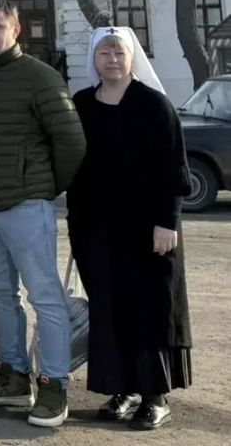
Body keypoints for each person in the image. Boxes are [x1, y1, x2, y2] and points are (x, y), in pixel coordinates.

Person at [0, 0, 85, 428]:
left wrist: (44, 187)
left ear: (15, 30)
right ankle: (12, 375)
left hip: (26, 205)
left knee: (44, 297)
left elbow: (71, 141)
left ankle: (53, 385)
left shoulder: (40, 77)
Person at [69, 27, 192, 431]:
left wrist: (166, 222)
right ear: (94, 59)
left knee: (148, 308)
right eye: (104, 53)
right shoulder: (83, 104)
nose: (112, 59)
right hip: (97, 230)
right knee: (109, 310)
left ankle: (154, 396)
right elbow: (74, 166)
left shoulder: (154, 105)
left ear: (132, 57)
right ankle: (122, 390)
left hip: (148, 230)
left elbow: (174, 168)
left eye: (119, 52)